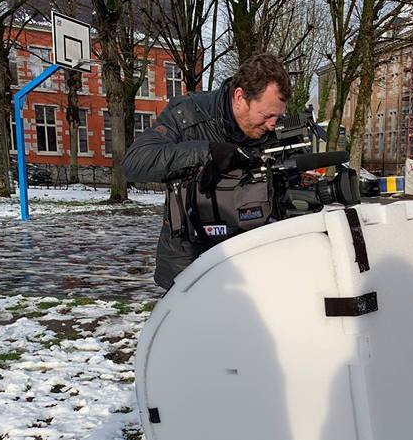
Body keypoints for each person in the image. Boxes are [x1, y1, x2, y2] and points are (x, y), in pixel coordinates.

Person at [122, 54, 292, 290]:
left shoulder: (275, 132)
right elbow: (134, 163)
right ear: (240, 97)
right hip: (189, 263)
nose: (273, 124)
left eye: (278, 116)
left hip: (251, 264)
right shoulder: (188, 114)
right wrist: (206, 153)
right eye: (267, 116)